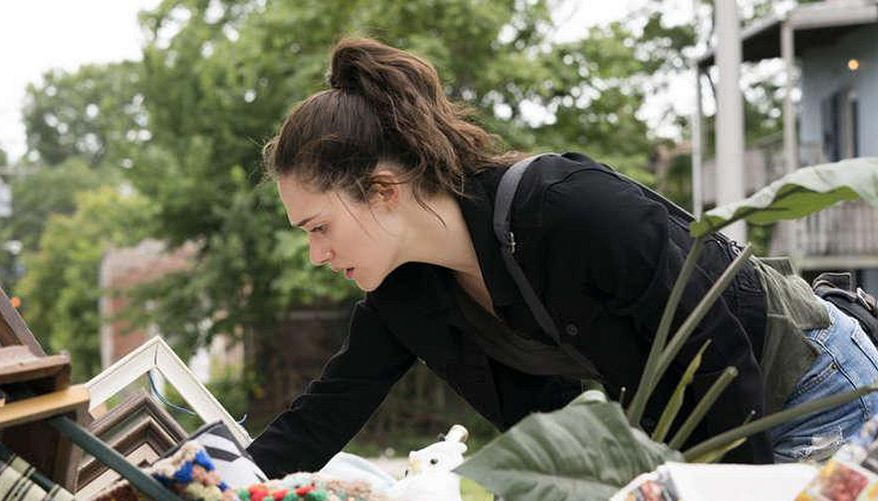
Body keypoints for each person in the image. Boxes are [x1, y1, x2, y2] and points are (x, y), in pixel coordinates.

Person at [247, 37, 878, 477]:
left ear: (382, 191)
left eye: (319, 226)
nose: (316, 254)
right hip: (711, 429)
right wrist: (214, 484)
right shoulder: (409, 292)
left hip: (815, 391)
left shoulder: (570, 209)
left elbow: (715, 349)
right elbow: (328, 410)